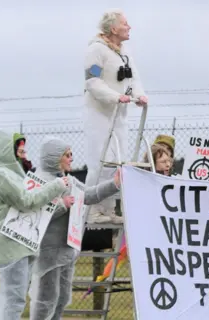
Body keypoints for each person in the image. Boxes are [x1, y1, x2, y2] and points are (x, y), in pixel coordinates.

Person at [28, 136, 122, 320]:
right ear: (55, 158)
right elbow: (35, 212)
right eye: (67, 154)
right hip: (49, 253)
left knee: (62, 298)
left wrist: (115, 184)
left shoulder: (69, 181)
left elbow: (89, 194)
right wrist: (62, 204)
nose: (71, 158)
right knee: (47, 298)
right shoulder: (39, 182)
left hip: (66, 250)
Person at [0, 130, 69, 320]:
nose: (24, 155)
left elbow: (32, 206)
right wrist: (56, 186)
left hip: (22, 245)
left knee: (7, 296)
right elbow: (26, 201)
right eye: (20, 151)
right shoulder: (2, 176)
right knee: (14, 299)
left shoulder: (14, 176)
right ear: (7, 151)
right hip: (11, 246)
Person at [83, 8, 148, 224]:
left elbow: (134, 78)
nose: (129, 27)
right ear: (113, 28)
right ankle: (92, 210)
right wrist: (115, 96)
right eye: (125, 23)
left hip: (120, 115)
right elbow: (92, 82)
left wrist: (139, 95)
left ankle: (109, 209)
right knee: (99, 162)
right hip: (100, 114)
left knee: (117, 163)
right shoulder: (96, 50)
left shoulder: (124, 52)